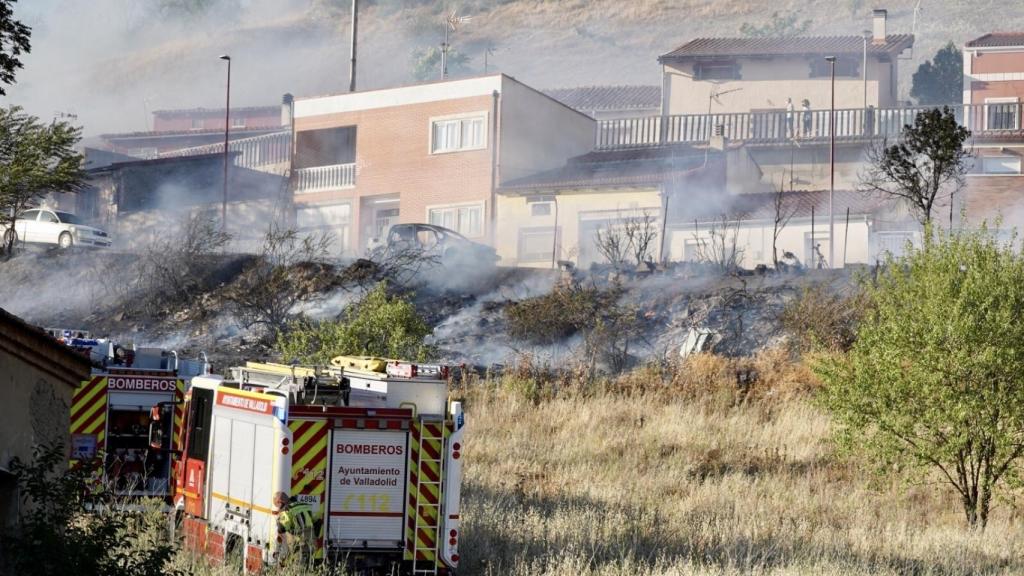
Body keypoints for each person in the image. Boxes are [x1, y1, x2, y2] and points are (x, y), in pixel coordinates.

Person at [276, 492, 315, 564]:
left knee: (298, 565)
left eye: (277, 505)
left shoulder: (286, 509)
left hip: (299, 541)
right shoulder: (304, 504)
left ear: (280, 502)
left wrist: (279, 521)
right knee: (308, 563)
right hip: (310, 539)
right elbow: (313, 520)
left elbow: (281, 528)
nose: (278, 508)